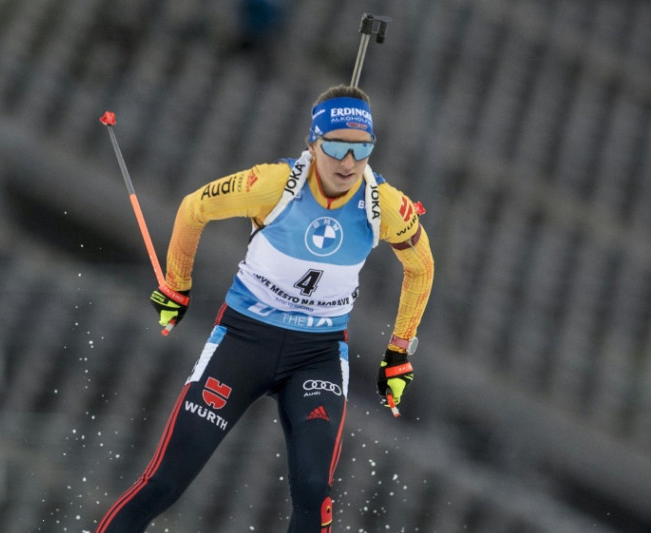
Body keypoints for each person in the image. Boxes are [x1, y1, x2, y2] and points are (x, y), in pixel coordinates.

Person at [95, 85, 434, 533]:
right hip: (245, 340)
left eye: (362, 148)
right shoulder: (273, 184)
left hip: (317, 354)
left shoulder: (383, 205)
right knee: (165, 481)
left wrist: (398, 352)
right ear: (313, 144)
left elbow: (422, 266)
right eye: (335, 146)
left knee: (315, 491)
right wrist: (177, 287)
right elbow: (193, 208)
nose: (349, 163)